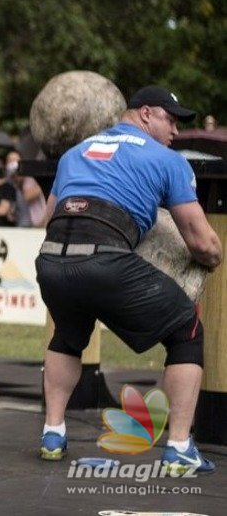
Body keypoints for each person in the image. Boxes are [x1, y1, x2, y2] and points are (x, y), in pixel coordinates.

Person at [36, 85, 222, 475]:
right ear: (146, 114)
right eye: (171, 120)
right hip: (105, 260)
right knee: (187, 333)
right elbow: (201, 241)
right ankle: (180, 447)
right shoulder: (167, 160)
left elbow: (48, 218)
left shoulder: (75, 153)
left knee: (68, 336)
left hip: (51, 261)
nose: (175, 131)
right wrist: (213, 258)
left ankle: (53, 433)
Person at [3, 150, 47, 227]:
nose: (13, 164)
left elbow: (28, 196)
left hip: (39, 226)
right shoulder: (10, 184)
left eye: (16, 160)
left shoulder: (30, 178)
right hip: (23, 228)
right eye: (10, 160)